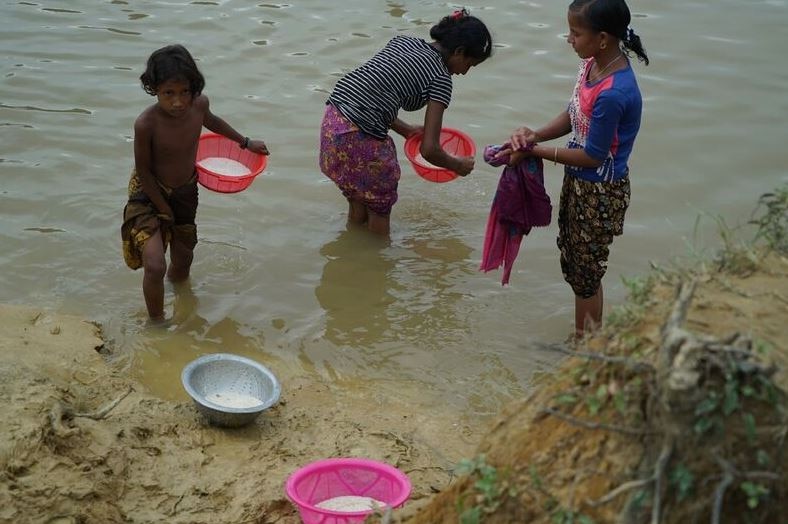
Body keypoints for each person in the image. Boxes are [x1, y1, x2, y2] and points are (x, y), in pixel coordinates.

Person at [497, 0, 649, 338]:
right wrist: (534, 135)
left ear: (604, 38)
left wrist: (535, 150)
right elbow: (573, 115)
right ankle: (588, 339)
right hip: (580, 184)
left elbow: (594, 155)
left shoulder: (614, 92)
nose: (569, 39)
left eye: (576, 33)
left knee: (585, 275)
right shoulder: (593, 65)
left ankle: (586, 345)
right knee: (581, 269)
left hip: (599, 192)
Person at [122, 44, 269, 322]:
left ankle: (182, 302)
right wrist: (162, 207)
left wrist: (246, 142)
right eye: (169, 94)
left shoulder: (199, 106)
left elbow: (212, 122)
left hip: (186, 191)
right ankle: (157, 323)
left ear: (194, 89)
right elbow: (143, 171)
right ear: (154, 89)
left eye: (184, 93)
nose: (178, 102)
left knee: (184, 258)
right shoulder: (146, 124)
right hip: (149, 193)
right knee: (154, 264)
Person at [320, 9, 492, 235]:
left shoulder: (404, 42)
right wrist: (456, 165)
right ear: (459, 52)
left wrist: (406, 130)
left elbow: (374, 92)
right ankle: (377, 263)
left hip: (333, 124)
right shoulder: (441, 78)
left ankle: (354, 254)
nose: (465, 72)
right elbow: (430, 150)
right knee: (380, 209)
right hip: (360, 138)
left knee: (358, 199)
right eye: (469, 64)